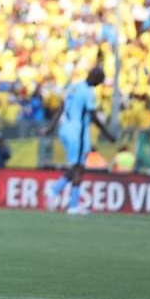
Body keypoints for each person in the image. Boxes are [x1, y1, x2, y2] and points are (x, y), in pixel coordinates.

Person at [44, 66, 117, 214]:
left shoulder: (73, 87)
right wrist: (107, 134)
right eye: (100, 81)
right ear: (97, 79)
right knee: (76, 166)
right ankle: (55, 191)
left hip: (65, 127)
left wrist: (51, 127)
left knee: (79, 167)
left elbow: (61, 108)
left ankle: (73, 204)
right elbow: (93, 117)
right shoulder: (88, 93)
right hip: (78, 131)